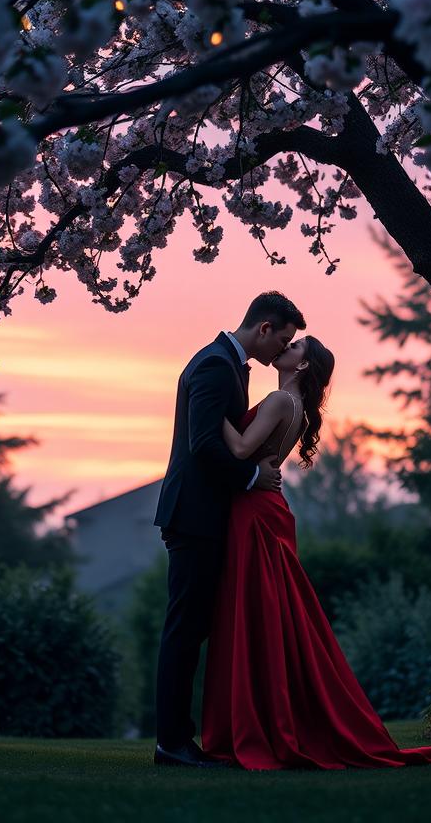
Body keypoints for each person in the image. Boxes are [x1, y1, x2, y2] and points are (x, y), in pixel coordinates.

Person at [201, 335, 431, 770]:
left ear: (303, 365)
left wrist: (204, 411)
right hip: (266, 510)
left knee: (253, 613)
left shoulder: (282, 400)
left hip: (255, 514)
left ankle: (256, 723)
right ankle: (264, 716)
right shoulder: (296, 408)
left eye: (296, 346)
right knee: (266, 614)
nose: (285, 346)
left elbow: (242, 450)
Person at [152, 291, 306, 768]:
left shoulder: (227, 364)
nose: (282, 348)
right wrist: (252, 476)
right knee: (185, 627)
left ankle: (183, 738)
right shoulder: (217, 365)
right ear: (263, 328)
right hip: (195, 516)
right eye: (282, 337)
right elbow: (203, 444)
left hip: (207, 515)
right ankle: (172, 743)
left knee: (195, 627)